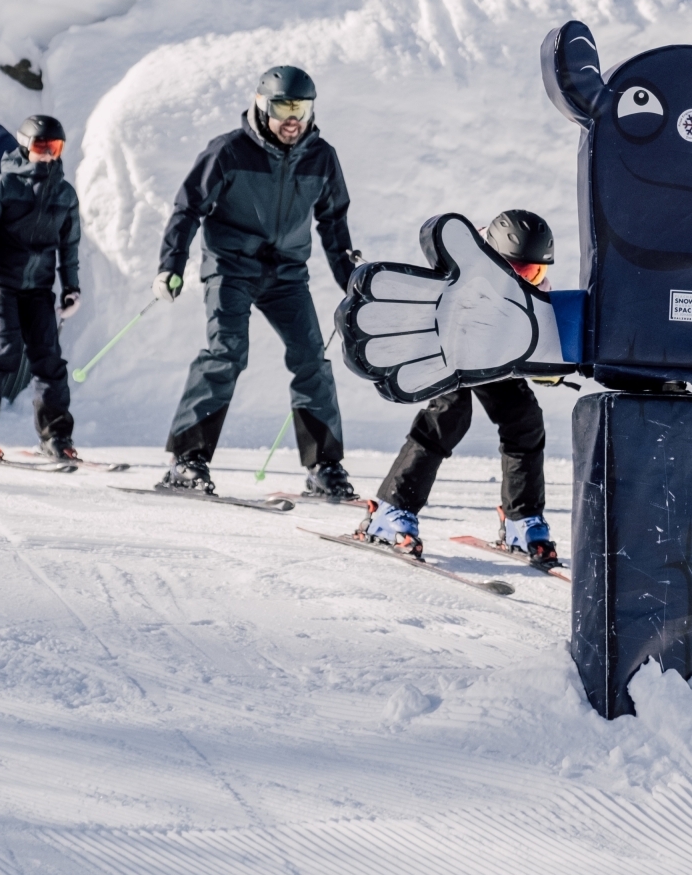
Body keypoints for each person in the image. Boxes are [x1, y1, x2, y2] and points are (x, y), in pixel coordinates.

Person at [151, 65, 360, 499]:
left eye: (301, 108)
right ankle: (187, 460)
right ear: (262, 106)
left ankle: (324, 466)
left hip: (286, 275)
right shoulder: (228, 151)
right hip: (230, 268)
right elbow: (188, 209)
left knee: (311, 359)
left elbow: (334, 225)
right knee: (226, 352)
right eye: (283, 106)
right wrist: (170, 265)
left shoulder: (321, 157)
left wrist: (353, 286)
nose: (293, 118)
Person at [357, 210, 561, 563]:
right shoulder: (460, 262)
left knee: (524, 419)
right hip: (448, 348)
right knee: (449, 414)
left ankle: (522, 518)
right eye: (519, 271)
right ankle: (390, 511)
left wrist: (548, 364)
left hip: (494, 354)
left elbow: (538, 337)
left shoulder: (534, 289)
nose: (528, 280)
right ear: (495, 259)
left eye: (535, 271)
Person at [0, 115, 83, 462]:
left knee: (49, 361)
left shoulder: (64, 194)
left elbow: (69, 244)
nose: (48, 154)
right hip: (1, 287)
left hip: (39, 290)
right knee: (4, 352)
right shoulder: (4, 186)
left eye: (55, 148)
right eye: (41, 147)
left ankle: (56, 437)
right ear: (26, 146)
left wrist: (71, 287)